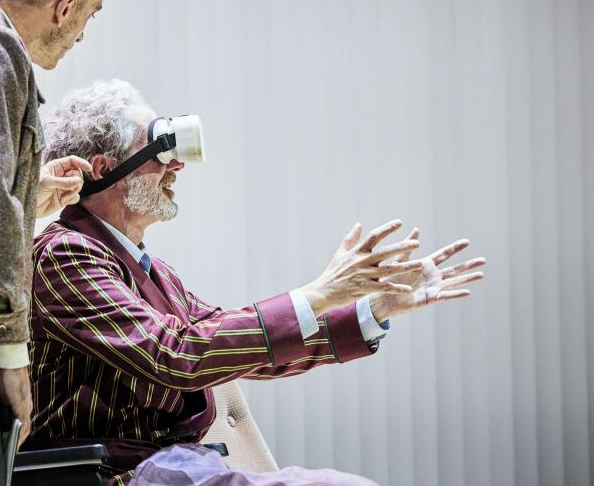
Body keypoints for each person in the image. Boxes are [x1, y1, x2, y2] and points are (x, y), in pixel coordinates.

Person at [27, 79, 486, 485]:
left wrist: (375, 308)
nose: (176, 167)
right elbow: (176, 353)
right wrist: (320, 292)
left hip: (174, 468)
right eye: (161, 151)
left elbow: (240, 347)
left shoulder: (152, 271)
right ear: (103, 168)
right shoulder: (66, 254)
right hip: (117, 475)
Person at [0, 0, 128, 485]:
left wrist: (32, 196)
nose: (82, 33)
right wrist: (12, 354)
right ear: (66, 6)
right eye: (90, 15)